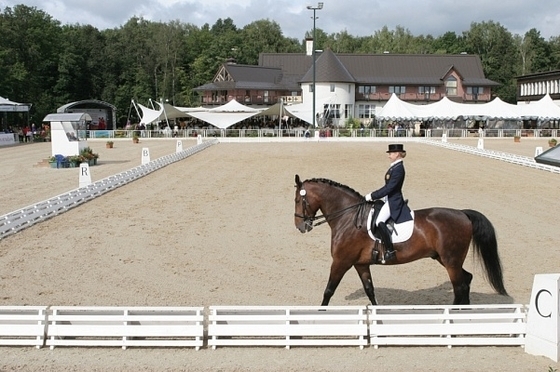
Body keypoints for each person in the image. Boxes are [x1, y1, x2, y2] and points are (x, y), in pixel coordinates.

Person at [364, 143, 412, 262]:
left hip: (393, 201)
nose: (389, 155)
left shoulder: (399, 169)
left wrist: (372, 195)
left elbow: (390, 188)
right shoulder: (394, 166)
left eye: (391, 153)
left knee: (380, 221)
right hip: (388, 199)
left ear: (397, 154)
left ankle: (390, 250)